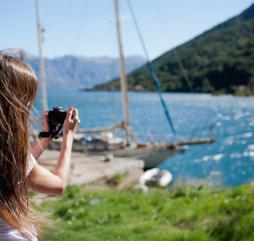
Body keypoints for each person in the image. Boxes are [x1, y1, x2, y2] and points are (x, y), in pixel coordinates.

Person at [0, 51, 80, 241]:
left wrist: (44, 141)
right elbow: (58, 185)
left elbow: (15, 170)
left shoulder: (13, 159)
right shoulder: (12, 156)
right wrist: (68, 135)